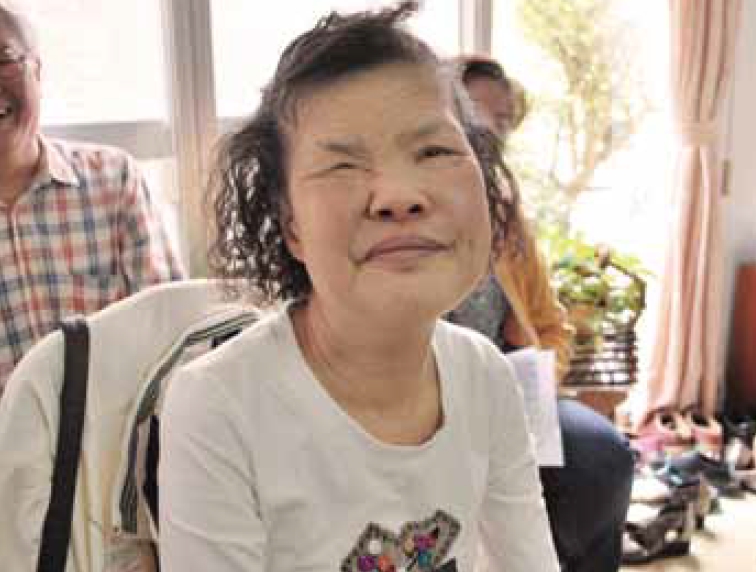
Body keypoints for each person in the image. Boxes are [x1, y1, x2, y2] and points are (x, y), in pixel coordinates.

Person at [158, 3, 559, 571]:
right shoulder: (220, 405)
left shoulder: (485, 375)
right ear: (290, 225)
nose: (399, 195)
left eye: (435, 151)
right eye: (342, 166)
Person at [450, 54, 635, 572]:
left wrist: (539, 377)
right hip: (435, 404)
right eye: (477, 114)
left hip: (511, 397)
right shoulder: (408, 215)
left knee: (603, 456)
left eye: (504, 120)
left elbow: (553, 326)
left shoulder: (507, 218)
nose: (492, 131)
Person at [0, 5, 184, 392]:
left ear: (38, 71)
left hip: (118, 431)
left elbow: (178, 335)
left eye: (3, 60)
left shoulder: (115, 181)